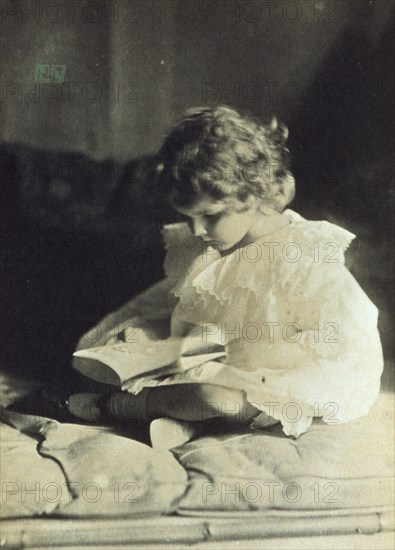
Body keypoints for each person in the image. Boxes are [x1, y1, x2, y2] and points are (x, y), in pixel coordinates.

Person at [68, 105, 384, 438]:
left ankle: (122, 407)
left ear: (254, 194)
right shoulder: (212, 249)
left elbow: (333, 340)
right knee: (95, 353)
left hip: (283, 370)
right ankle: (178, 413)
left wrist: (232, 360)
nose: (197, 230)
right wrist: (158, 339)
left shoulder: (300, 255)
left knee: (218, 400)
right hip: (210, 354)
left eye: (211, 216)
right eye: (189, 217)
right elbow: (192, 315)